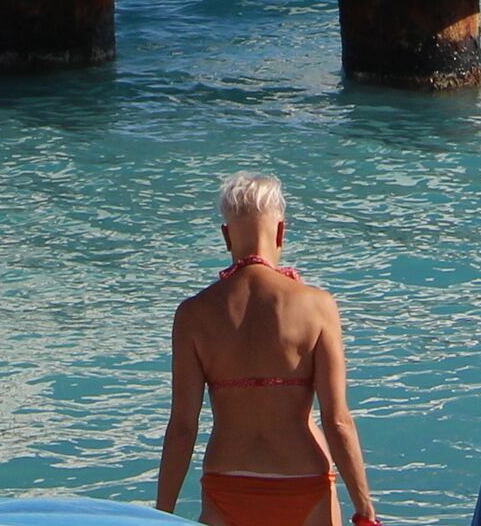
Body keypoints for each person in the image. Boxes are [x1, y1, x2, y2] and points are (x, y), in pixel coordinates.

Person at [157, 173, 380, 526]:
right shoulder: (317, 306)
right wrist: (364, 509)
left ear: (227, 236)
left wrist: (162, 515)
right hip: (303, 483)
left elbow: (183, 428)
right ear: (280, 232)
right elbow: (337, 421)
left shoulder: (193, 314)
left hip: (226, 484)